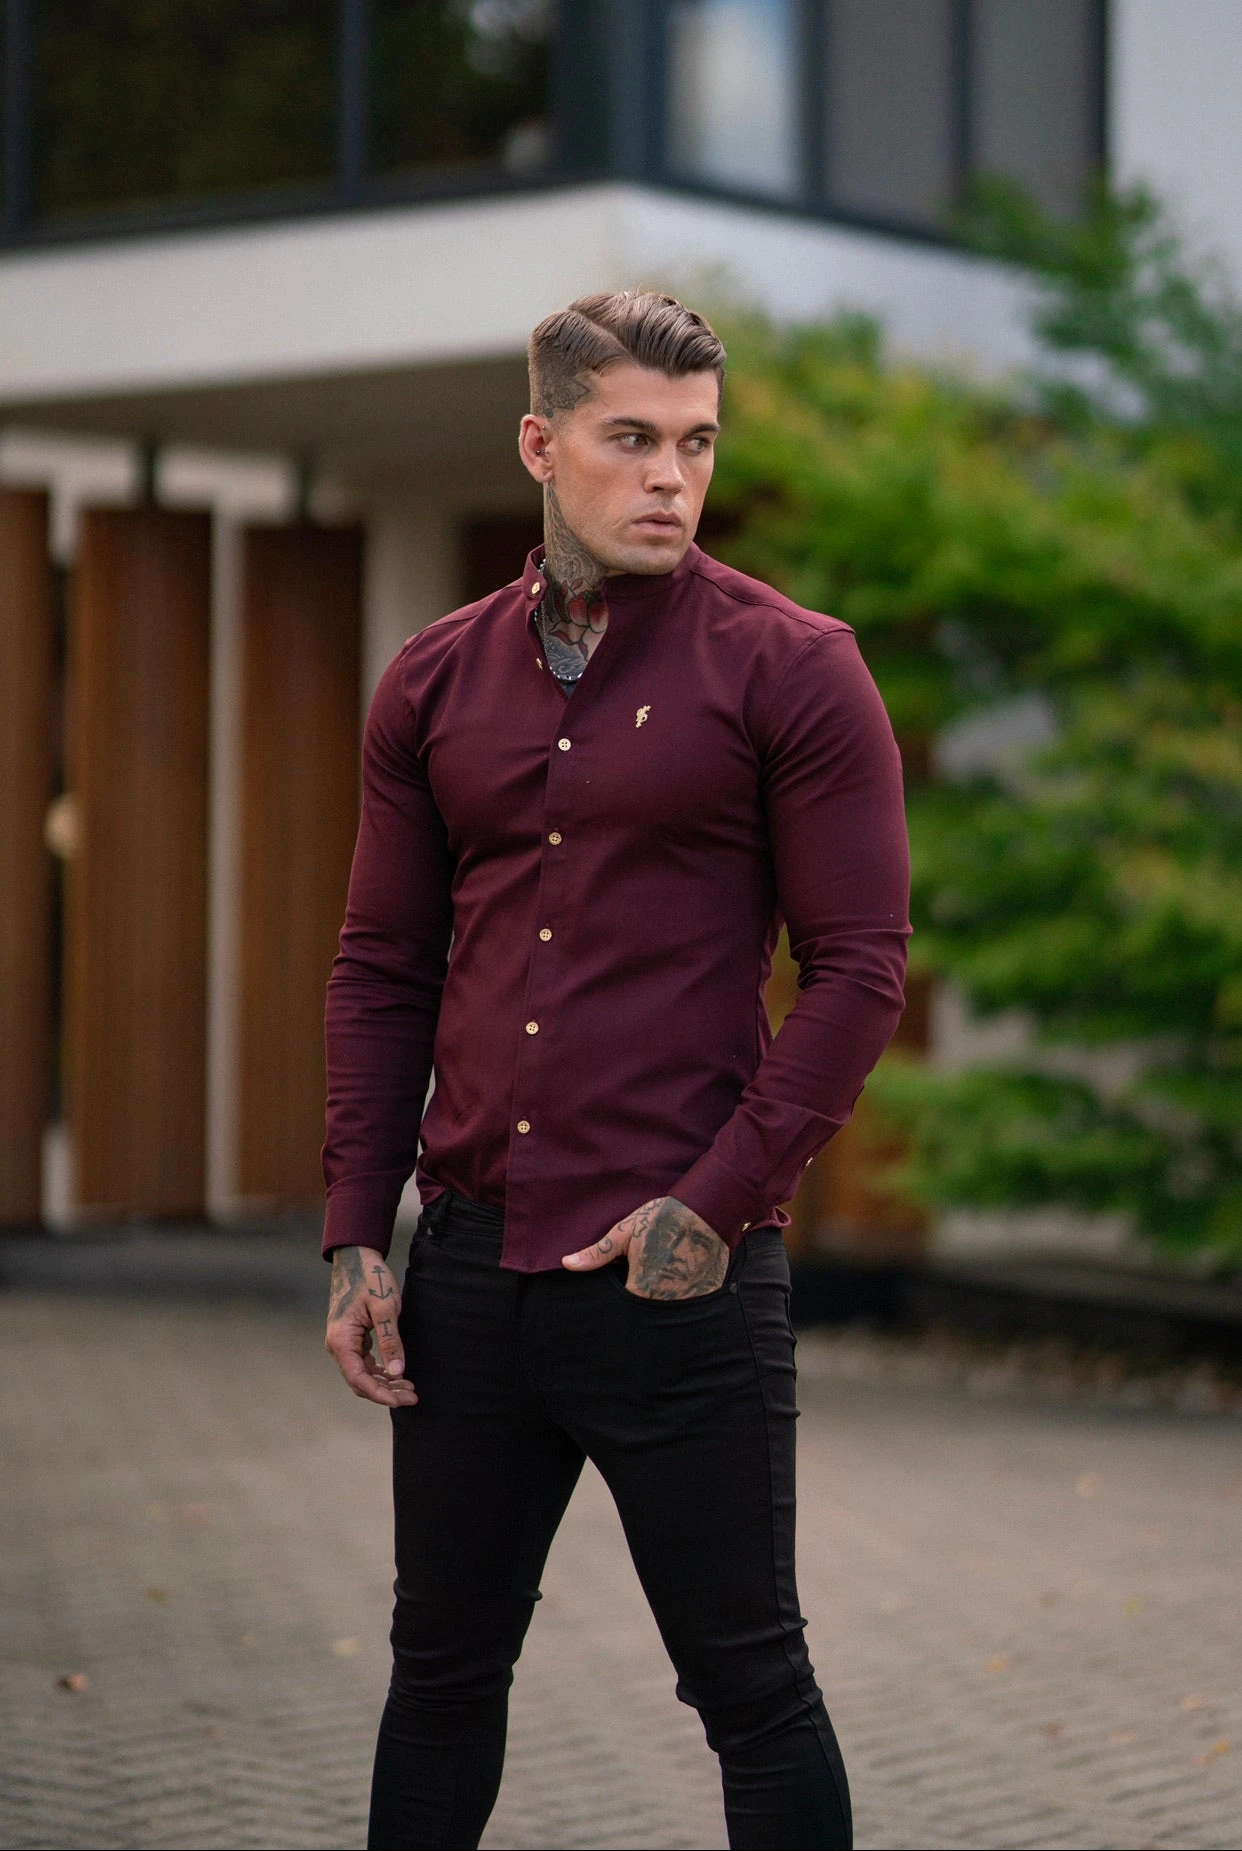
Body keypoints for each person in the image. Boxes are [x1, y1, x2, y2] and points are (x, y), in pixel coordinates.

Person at [322, 291, 909, 1851]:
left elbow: (860, 968)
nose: (669, 476)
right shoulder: (431, 681)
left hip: (678, 1283)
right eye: (631, 438)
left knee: (752, 1687)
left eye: (697, 444)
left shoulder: (793, 667)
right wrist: (356, 1233)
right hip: (466, 1277)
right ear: (540, 443)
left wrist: (713, 1205)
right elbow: (383, 966)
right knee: (439, 1674)